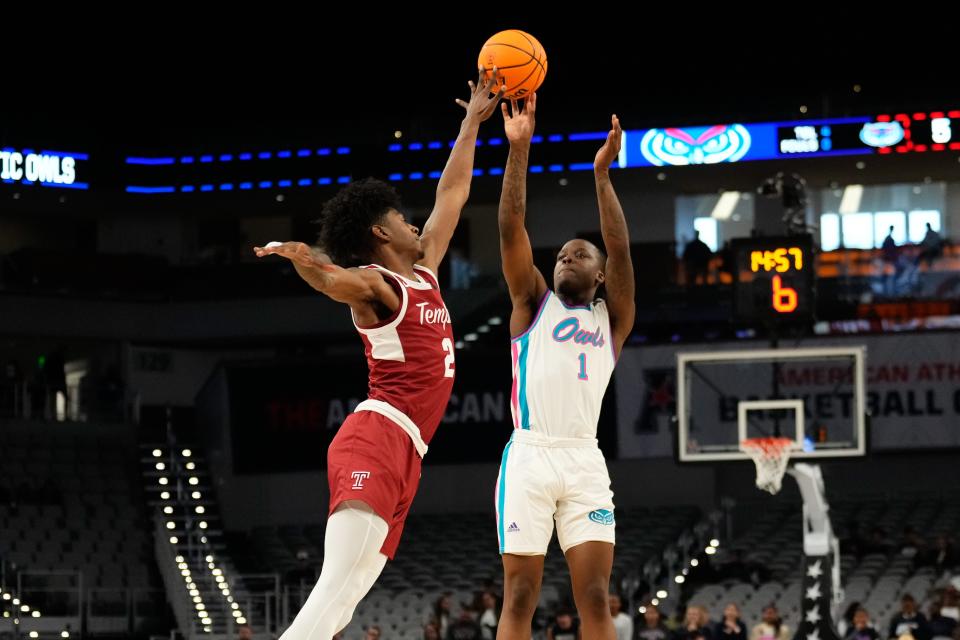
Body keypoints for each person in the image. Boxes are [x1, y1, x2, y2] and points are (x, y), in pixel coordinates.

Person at [255, 69, 503, 640]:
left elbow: (453, 194)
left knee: (346, 600)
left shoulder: (422, 273)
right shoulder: (375, 285)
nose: (415, 222)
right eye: (400, 217)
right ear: (379, 232)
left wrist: (470, 123)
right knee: (335, 585)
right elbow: (332, 280)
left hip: (408, 450)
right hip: (376, 435)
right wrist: (302, 256)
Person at [492, 92, 635, 640]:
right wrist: (519, 149)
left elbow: (620, 250)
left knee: (595, 596)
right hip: (529, 453)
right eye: (560, 255)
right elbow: (511, 227)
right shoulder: (532, 301)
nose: (565, 258)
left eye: (579, 254)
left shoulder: (612, 319)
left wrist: (602, 178)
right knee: (521, 596)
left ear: (600, 276)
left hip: (583, 459)